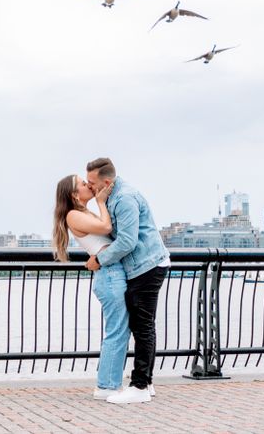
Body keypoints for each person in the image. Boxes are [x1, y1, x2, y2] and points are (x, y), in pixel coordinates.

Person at [84, 157, 170, 404]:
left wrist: (99, 260)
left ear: (106, 182)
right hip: (140, 267)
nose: (89, 186)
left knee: (143, 326)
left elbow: (127, 242)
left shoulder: (124, 199)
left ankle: (140, 386)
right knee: (141, 325)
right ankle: (147, 382)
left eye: (92, 183)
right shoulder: (109, 197)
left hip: (148, 265)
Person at [52, 173, 130, 400]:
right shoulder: (74, 215)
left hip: (111, 272)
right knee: (116, 331)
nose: (88, 185)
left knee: (119, 330)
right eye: (83, 184)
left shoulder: (82, 213)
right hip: (109, 274)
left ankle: (110, 383)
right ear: (74, 195)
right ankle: (106, 386)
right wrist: (101, 202)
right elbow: (106, 228)